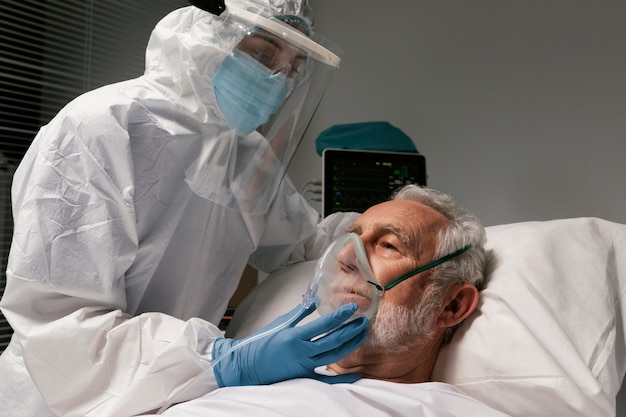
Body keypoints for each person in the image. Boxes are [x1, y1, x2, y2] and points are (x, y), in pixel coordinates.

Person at [0, 1, 366, 416]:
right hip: (60, 395)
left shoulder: (245, 154)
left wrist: (383, 229)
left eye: (293, 67)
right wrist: (218, 358)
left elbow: (306, 247)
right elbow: (61, 326)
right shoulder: (101, 127)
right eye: (263, 54)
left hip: (176, 388)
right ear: (207, 35)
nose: (277, 80)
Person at [141, 184, 512, 417]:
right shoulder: (237, 374)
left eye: (388, 245)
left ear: (451, 306)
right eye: (348, 240)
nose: (346, 258)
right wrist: (220, 368)